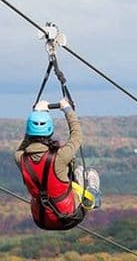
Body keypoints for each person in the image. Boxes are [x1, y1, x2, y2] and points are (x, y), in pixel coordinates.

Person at [15, 98, 101, 230]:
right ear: (50, 130)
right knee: (87, 174)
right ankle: (94, 197)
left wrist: (37, 112)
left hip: (41, 219)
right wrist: (67, 109)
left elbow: (24, 145)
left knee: (74, 173)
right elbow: (76, 136)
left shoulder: (20, 158)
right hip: (69, 217)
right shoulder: (59, 157)